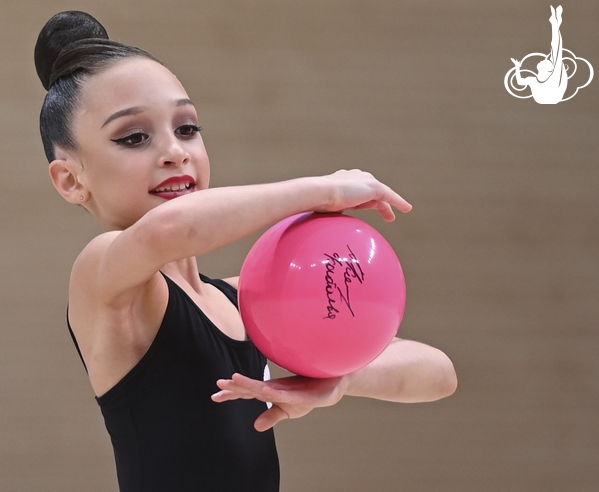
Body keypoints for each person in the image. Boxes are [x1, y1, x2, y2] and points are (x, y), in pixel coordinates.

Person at [34, 11, 457, 492]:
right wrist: (322, 191)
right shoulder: (103, 274)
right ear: (71, 180)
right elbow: (170, 231)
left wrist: (338, 381)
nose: (175, 151)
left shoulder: (248, 299)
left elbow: (438, 373)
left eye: (187, 128)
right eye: (134, 137)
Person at [511, 5, 567, 104]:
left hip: (550, 97)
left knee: (556, 51)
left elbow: (556, 49)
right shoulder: (536, 79)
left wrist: (517, 67)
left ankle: (555, 23)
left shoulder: (545, 78)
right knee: (556, 52)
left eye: (545, 61)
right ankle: (555, 23)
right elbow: (520, 82)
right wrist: (517, 67)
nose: (543, 59)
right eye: (547, 60)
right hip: (550, 97)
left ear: (548, 69)